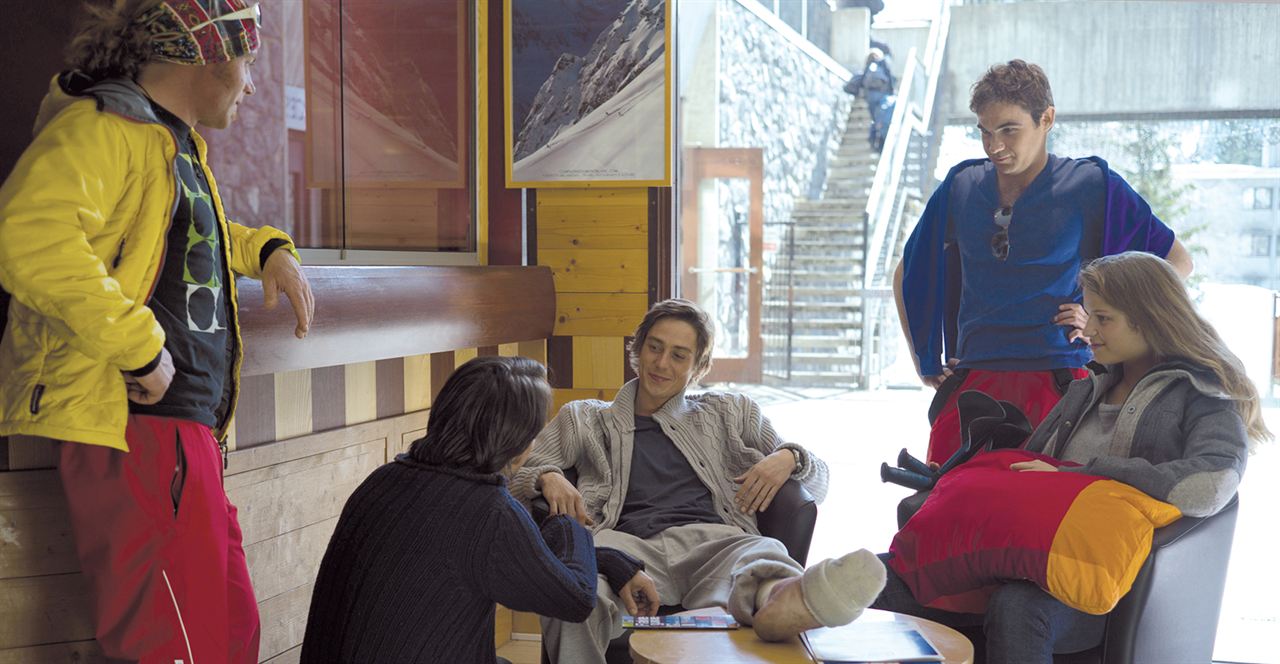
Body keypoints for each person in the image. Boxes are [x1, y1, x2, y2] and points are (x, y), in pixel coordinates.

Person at [0, 1, 314, 661]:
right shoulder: (101, 130)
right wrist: (138, 347)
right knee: (172, 645)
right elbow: (32, 238)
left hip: (183, 432)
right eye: (249, 59)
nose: (253, 83)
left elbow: (172, 235)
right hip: (137, 426)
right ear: (206, 54)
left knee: (230, 636)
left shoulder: (164, 139)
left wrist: (262, 249)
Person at [874, 251, 1266, 662]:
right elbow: (1033, 471)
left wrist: (1084, 477)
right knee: (878, 578)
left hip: (1112, 581)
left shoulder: (1203, 397)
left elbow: (1209, 485)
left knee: (1017, 605)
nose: (1088, 329)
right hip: (1031, 560)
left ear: (1149, 317)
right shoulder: (1085, 390)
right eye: (1088, 314)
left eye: (1103, 318)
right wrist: (961, 479)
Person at [511, 298, 888, 663]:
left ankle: (785, 604)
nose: (661, 363)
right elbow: (515, 484)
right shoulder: (584, 418)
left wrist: (789, 458)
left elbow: (818, 484)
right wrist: (546, 476)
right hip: (622, 546)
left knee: (764, 555)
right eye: (654, 348)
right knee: (572, 594)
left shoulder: (731, 412)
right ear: (637, 350)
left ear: (699, 366)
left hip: (715, 542)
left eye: (679, 355)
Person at [892, 59, 1195, 465]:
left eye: (1008, 130)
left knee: (1047, 521)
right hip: (972, 385)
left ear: (1046, 119)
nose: (993, 145)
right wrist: (923, 360)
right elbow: (906, 274)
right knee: (950, 514)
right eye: (984, 130)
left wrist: (1103, 315)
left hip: (1063, 387)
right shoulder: (960, 187)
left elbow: (1176, 263)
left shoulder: (1090, 185)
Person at [300, 357, 650, 663]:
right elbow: (574, 600)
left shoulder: (384, 480)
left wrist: (609, 561)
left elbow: (525, 558)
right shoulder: (485, 512)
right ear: (514, 442)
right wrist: (566, 519)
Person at [844, 47, 896, 151]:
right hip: (881, 96)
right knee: (881, 118)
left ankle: (873, 139)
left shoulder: (868, 67)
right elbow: (890, 80)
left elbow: (862, 82)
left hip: (870, 97)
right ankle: (880, 142)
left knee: (875, 119)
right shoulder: (882, 64)